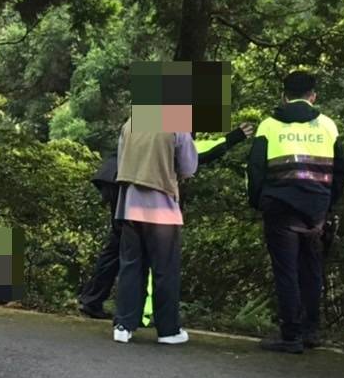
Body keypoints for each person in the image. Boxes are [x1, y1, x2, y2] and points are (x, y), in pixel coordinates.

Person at [79, 123, 253, 321]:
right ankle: (136, 313)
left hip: (119, 177)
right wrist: (233, 138)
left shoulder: (147, 115)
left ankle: (99, 302)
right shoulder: (175, 122)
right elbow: (193, 155)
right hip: (135, 182)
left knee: (120, 246)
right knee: (138, 250)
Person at [248, 70, 344, 354]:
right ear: (313, 96)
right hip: (316, 208)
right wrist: (329, 204)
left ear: (284, 95)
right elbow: (340, 170)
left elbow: (255, 169)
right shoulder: (328, 126)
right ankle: (310, 330)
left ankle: (290, 335)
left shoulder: (268, 125)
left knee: (286, 271)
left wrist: (258, 201)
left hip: (280, 207)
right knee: (311, 269)